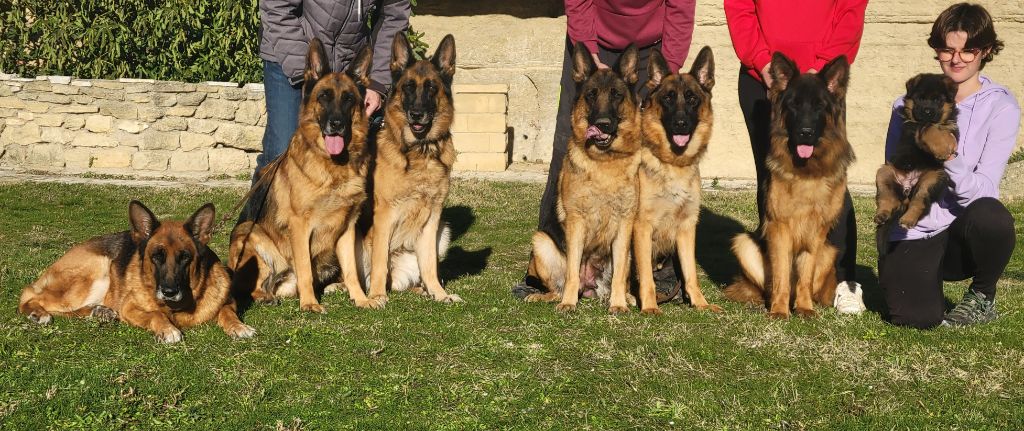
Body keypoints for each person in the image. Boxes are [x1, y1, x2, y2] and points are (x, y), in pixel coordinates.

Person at [511, 0, 698, 301]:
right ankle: (542, 270)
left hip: (653, 45)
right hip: (593, 38)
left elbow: (681, 7)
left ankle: (659, 272)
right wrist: (589, 50)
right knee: (567, 145)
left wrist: (666, 74)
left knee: (655, 149)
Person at [724, 0, 869, 314]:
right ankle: (779, 287)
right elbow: (739, 7)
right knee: (773, 187)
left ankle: (843, 282)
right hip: (765, 75)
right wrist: (764, 64)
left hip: (825, 82)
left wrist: (821, 70)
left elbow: (850, 9)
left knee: (831, 181)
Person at [880, 3, 1019, 329]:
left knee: (992, 216)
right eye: (947, 49)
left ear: (985, 51)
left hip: (963, 225)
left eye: (968, 50)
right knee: (916, 319)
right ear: (937, 49)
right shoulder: (906, 104)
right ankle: (916, 273)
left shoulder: (1001, 106)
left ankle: (983, 295)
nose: (956, 59)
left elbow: (985, 186)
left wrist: (948, 157)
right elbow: (893, 174)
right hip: (917, 224)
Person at [243, 0, 411, 220]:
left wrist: (377, 83)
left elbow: (394, 15)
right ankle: (249, 237)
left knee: (351, 155)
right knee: (280, 151)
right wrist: (309, 77)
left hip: (347, 62)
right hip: (290, 55)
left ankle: (331, 240)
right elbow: (277, 9)